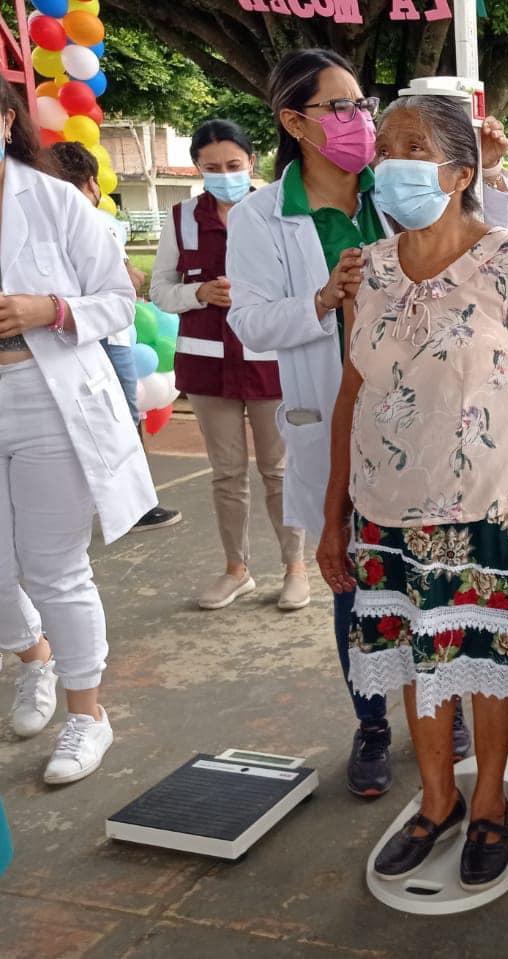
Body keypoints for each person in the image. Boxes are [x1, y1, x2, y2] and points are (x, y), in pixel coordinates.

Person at [227, 49, 508, 800]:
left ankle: (442, 703)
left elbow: (482, 256)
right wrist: (322, 299)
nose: (361, 123)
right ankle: (372, 723)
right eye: (341, 109)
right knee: (352, 581)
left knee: (432, 570)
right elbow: (252, 322)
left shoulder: (393, 195)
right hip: (328, 412)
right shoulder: (263, 216)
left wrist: (479, 167)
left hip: (428, 428)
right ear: (294, 121)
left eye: (363, 105)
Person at [316, 92, 508, 887]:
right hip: (385, 512)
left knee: (481, 660)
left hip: (485, 508)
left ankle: (487, 800)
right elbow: (353, 395)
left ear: (460, 172)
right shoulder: (369, 267)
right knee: (414, 658)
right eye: (383, 148)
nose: (389, 163)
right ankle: (436, 801)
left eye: (411, 148)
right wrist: (334, 519)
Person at [0, 76, 155, 783]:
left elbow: (120, 297)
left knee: (54, 564)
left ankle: (86, 713)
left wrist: (50, 310)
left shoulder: (56, 202)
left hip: (44, 393)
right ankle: (33, 659)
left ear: (7, 122)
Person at [150, 119, 309, 612]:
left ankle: (295, 568)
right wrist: (198, 292)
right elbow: (159, 289)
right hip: (208, 368)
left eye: (233, 166)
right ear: (198, 167)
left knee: (279, 471)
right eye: (212, 167)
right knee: (226, 473)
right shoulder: (181, 218)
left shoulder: (278, 211)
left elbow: (304, 286)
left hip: (270, 364)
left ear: (252, 162)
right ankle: (236, 569)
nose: (224, 175)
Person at [47, 142, 182, 534]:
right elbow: (127, 280)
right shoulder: (98, 221)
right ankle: (136, 505)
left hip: (62, 338)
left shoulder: (43, 218)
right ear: (91, 183)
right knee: (122, 416)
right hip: (108, 336)